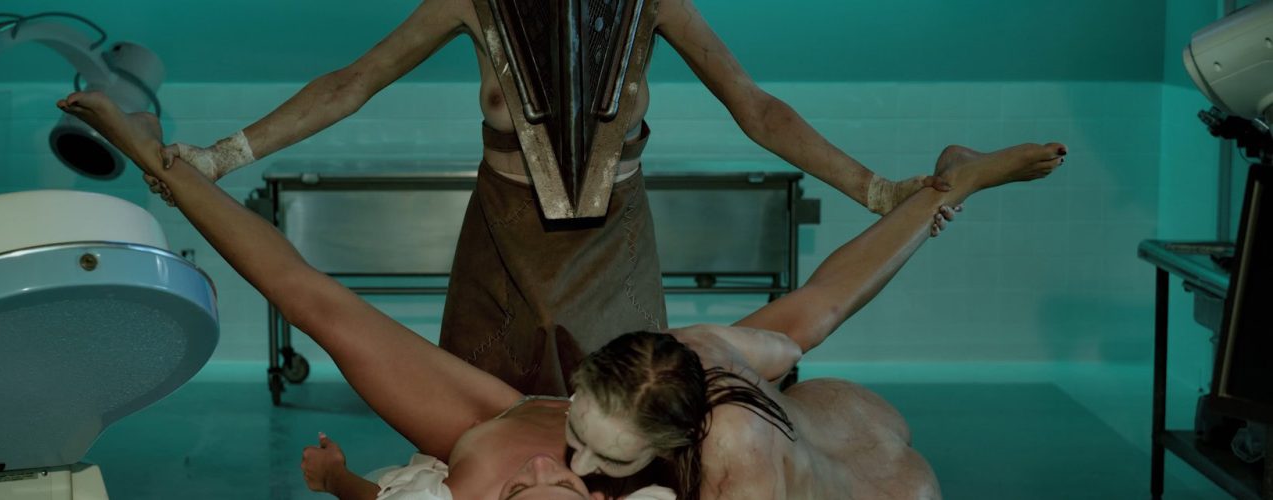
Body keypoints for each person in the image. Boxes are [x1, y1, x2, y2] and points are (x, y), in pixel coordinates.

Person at [56, 90, 1064, 499]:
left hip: (850, 465)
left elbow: (830, 304)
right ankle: (956, 181)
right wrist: (940, 196)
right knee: (814, 327)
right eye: (580, 432)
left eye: (598, 461)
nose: (565, 459)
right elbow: (829, 299)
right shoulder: (673, 368)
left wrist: (342, 483)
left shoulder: (725, 463)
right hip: (741, 413)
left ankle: (954, 183)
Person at [141, 0, 952, 396]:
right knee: (474, 406)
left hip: (615, 240)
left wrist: (876, 189)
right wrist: (220, 157)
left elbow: (758, 109)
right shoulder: (470, 1)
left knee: (629, 404)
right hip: (502, 234)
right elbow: (351, 84)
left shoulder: (655, 4)